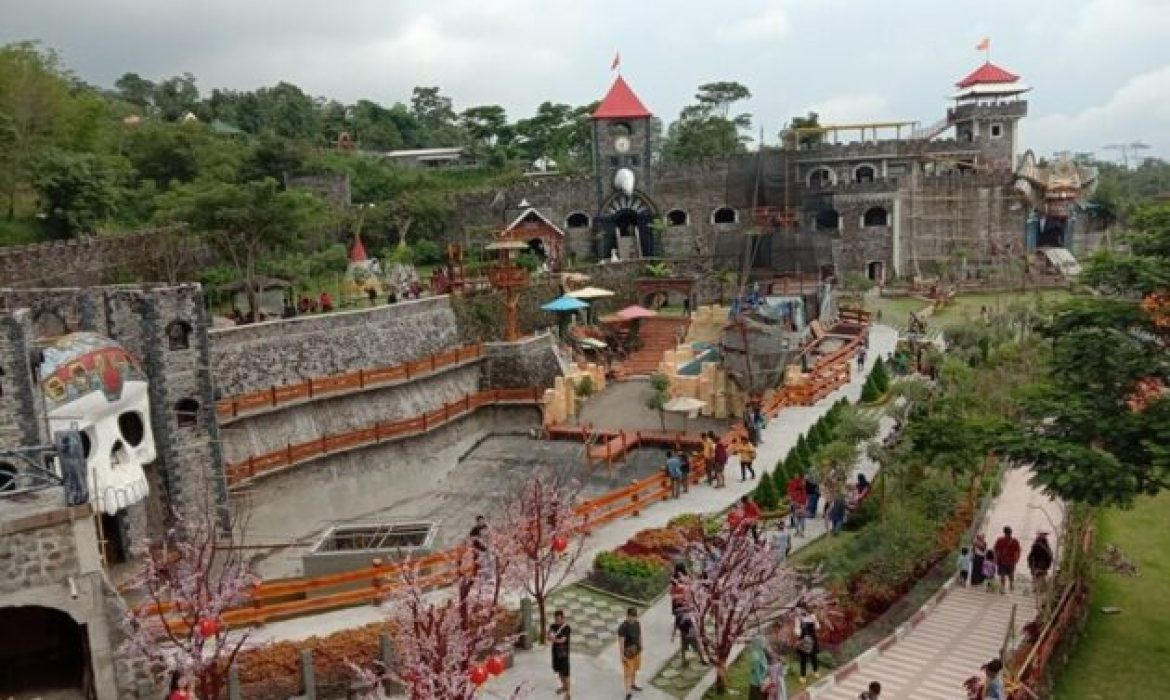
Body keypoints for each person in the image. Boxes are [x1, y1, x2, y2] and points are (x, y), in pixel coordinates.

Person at [617, 607, 643, 700]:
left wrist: (641, 645)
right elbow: (621, 642)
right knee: (627, 673)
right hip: (628, 654)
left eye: (634, 616)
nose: (632, 618)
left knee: (635, 669)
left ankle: (633, 684)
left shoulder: (637, 623)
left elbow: (639, 635)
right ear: (627, 615)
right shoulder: (623, 627)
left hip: (637, 651)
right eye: (631, 616)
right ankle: (628, 692)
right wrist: (622, 655)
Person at [794, 604, 820, 681]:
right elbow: (797, 632)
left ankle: (815, 671)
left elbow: (817, 627)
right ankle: (803, 676)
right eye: (797, 610)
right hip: (803, 640)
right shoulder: (798, 618)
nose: (798, 611)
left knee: (813, 656)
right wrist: (797, 630)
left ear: (804, 609)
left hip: (812, 638)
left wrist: (814, 620)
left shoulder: (812, 616)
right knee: (803, 658)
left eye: (799, 609)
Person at [994, 526, 1022, 593]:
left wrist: (995, 559)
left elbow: (996, 550)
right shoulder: (1015, 541)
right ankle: (1011, 585)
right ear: (1011, 532)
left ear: (1004, 532)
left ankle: (1003, 588)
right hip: (1011, 561)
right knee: (1010, 573)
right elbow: (1018, 551)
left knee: (1002, 574)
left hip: (1002, 560)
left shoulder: (1000, 540)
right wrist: (1016, 560)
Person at [550, 610, 571, 697]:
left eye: (559, 619)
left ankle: (568, 694)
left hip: (564, 654)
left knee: (566, 674)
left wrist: (553, 639)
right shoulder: (553, 626)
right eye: (556, 619)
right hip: (555, 653)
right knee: (559, 672)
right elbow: (548, 636)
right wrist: (551, 637)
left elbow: (563, 640)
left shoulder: (567, 628)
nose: (557, 621)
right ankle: (564, 687)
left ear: (563, 618)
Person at [748, 635, 769, 700]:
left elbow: (764, 665)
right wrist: (761, 683)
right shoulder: (756, 656)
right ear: (758, 643)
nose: (764, 644)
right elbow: (757, 671)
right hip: (757, 683)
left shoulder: (761, 652)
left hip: (763, 681)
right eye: (763, 642)